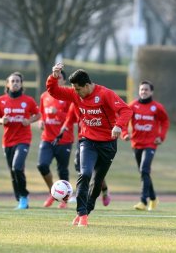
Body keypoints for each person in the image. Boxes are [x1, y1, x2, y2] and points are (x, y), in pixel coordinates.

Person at [47, 64, 132, 227]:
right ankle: (81, 213)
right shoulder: (75, 93)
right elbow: (54, 91)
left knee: (97, 181)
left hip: (108, 144)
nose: (76, 92)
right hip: (88, 141)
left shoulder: (105, 94)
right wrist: (54, 77)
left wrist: (118, 126)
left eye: (78, 89)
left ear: (87, 85)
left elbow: (126, 111)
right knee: (84, 173)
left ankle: (86, 212)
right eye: (74, 89)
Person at [0, 72, 41, 209]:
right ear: (7, 84)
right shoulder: (1, 100)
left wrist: (29, 120)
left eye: (18, 81)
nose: (15, 83)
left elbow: (38, 114)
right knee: (13, 172)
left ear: (21, 84)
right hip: (7, 141)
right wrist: (1, 120)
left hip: (23, 139)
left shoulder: (28, 100)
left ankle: (24, 196)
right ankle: (20, 198)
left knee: (17, 166)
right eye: (12, 81)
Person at [122, 80, 169, 211]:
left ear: (151, 92)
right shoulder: (133, 106)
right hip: (136, 143)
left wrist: (161, 136)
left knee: (144, 170)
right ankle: (153, 198)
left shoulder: (157, 107)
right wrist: (125, 133)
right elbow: (124, 121)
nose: (143, 92)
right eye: (142, 89)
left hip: (151, 144)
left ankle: (143, 201)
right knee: (144, 172)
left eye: (146, 90)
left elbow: (165, 122)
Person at [37, 70, 73, 209]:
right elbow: (42, 113)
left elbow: (72, 118)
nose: (57, 80)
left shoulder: (69, 96)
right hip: (47, 138)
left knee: (62, 170)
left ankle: (64, 199)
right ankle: (53, 192)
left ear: (64, 81)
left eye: (60, 78)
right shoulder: (44, 96)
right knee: (42, 165)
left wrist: (57, 112)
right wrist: (41, 121)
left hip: (64, 139)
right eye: (55, 78)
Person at [63, 103, 111, 207]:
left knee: (96, 171)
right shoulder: (75, 104)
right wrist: (63, 130)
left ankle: (104, 190)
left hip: (99, 142)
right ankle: (83, 195)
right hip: (83, 141)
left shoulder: (98, 104)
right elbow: (69, 120)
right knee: (83, 171)